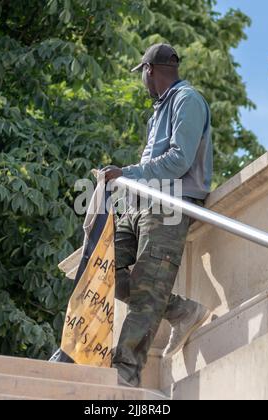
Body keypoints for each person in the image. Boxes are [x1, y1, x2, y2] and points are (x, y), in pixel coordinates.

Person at [100, 43, 213, 388]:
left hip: (169, 205)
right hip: (139, 203)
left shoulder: (187, 100)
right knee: (102, 270)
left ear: (149, 70)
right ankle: (180, 310)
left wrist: (128, 174)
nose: (142, 83)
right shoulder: (159, 110)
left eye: (142, 75)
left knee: (148, 292)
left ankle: (125, 373)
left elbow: (179, 160)